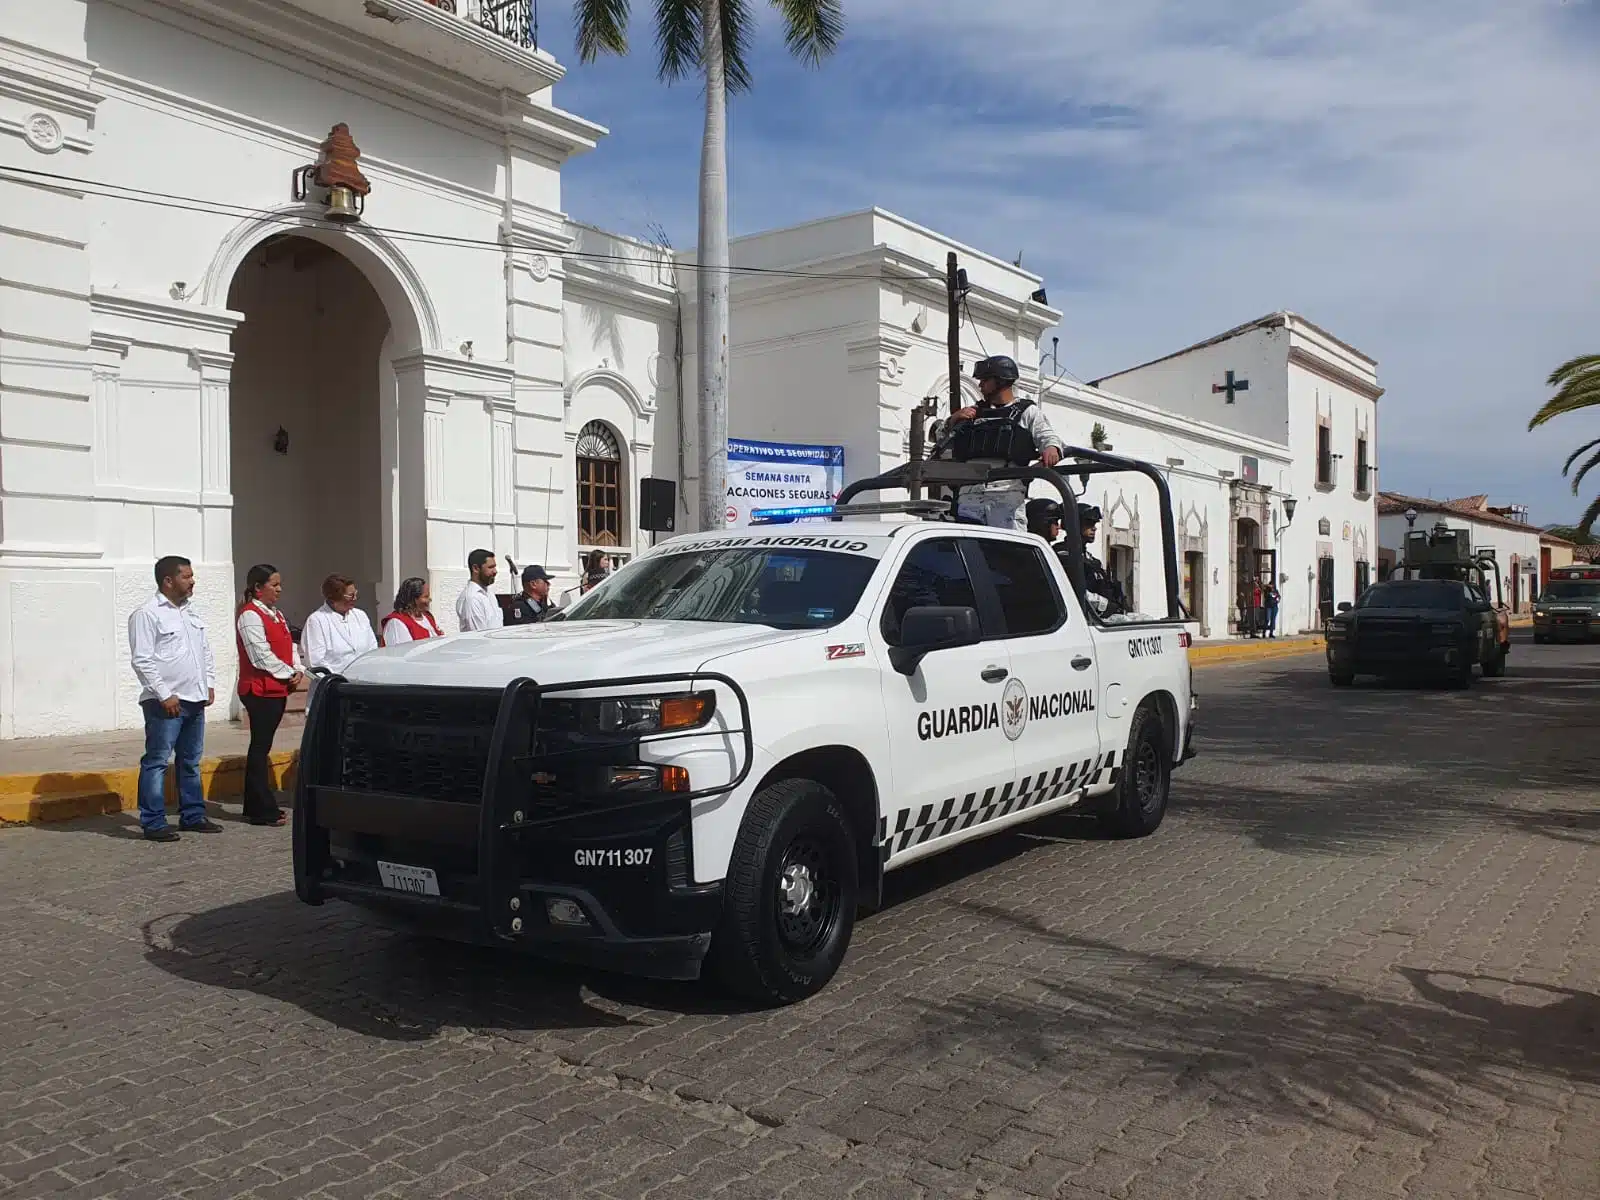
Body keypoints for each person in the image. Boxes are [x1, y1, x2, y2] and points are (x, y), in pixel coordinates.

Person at [127, 555, 219, 842]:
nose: (192, 581)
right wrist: (164, 694)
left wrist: (209, 684)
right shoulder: (147, 613)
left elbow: (204, 651)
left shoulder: (190, 612)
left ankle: (192, 815)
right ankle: (153, 822)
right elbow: (142, 660)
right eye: (186, 576)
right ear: (168, 580)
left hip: (195, 698)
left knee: (190, 760)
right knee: (157, 761)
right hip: (164, 702)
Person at [940, 355, 1064, 529]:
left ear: (1000, 381)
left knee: (1008, 553)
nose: (980, 385)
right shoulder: (973, 413)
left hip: (1006, 497)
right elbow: (939, 441)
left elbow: (1048, 437)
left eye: (985, 380)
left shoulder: (1027, 412)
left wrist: (1051, 448)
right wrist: (952, 420)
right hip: (970, 497)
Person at [235, 563, 304, 827]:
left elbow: (290, 645)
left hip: (276, 688)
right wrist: (287, 672)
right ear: (257, 588)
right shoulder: (250, 615)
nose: (279, 589)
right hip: (259, 690)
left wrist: (296, 669)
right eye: (273, 585)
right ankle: (260, 807)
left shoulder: (276, 614)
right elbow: (259, 654)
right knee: (259, 748)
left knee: (262, 747)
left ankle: (256, 803)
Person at [301, 574, 378, 685]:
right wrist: (337, 682)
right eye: (350, 596)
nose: (355, 598)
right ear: (334, 598)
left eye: (355, 594)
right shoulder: (317, 620)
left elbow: (372, 648)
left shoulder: (360, 615)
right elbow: (316, 662)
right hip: (335, 686)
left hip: (365, 682)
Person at [1077, 503, 1128, 616]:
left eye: (1094, 524)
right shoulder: (1065, 555)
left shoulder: (1091, 560)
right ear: (1076, 525)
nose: (1094, 528)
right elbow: (1076, 592)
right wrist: (1107, 606)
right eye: (1089, 524)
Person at [381, 577, 443, 645]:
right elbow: (403, 652)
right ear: (413, 600)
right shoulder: (396, 623)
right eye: (426, 597)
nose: (429, 600)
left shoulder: (428, 617)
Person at [456, 548, 503, 633]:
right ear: (476, 568)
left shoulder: (488, 593)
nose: (495, 571)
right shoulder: (472, 598)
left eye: (495, 567)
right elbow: (479, 636)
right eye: (490, 567)